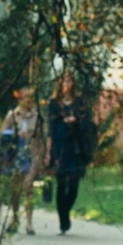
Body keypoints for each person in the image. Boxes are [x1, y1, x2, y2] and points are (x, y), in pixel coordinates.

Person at [43, 74, 96, 234]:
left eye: (69, 80)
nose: (66, 84)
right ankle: (63, 222)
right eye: (64, 81)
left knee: (73, 185)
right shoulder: (54, 104)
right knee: (61, 184)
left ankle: (65, 212)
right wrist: (48, 152)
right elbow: (50, 129)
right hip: (60, 148)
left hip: (75, 148)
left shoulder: (80, 103)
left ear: (73, 83)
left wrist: (76, 121)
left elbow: (88, 124)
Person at [0, 87, 41, 233]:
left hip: (31, 156)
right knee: (16, 190)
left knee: (28, 187)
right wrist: (15, 135)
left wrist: (42, 157)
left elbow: (40, 138)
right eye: (25, 97)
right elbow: (3, 135)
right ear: (20, 99)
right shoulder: (12, 115)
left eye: (30, 98)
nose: (28, 101)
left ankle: (29, 223)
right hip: (15, 156)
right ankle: (14, 219)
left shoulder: (37, 116)